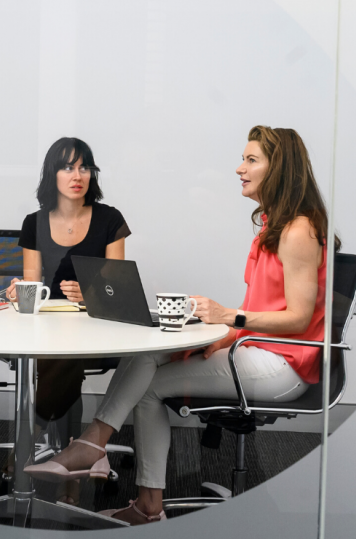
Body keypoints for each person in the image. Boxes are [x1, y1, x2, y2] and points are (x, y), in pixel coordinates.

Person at [24, 126, 339, 524]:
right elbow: (265, 307)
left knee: (150, 388)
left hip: (285, 365)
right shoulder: (273, 227)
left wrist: (228, 318)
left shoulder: (298, 230)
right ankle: (99, 451)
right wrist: (224, 334)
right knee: (152, 350)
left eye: (251, 160)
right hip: (259, 349)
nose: (239, 168)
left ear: (281, 168)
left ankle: (134, 492)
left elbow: (297, 318)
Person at [5, 137, 130, 502]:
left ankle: (28, 441)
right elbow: (31, 285)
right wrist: (17, 290)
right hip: (49, 330)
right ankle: (70, 464)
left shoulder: (110, 220)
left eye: (84, 167)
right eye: (67, 167)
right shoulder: (34, 223)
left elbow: (118, 290)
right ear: (51, 174)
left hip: (99, 331)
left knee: (69, 357)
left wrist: (90, 296)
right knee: (63, 358)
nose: (78, 175)